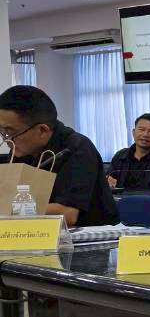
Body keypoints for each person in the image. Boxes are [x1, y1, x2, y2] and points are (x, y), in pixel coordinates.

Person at [0, 85, 117, 226]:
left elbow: (68, 214)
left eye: (10, 132)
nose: (7, 140)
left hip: (89, 234)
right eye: (2, 132)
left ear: (42, 130)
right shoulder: (20, 149)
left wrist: (10, 208)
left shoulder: (77, 148)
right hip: (32, 231)